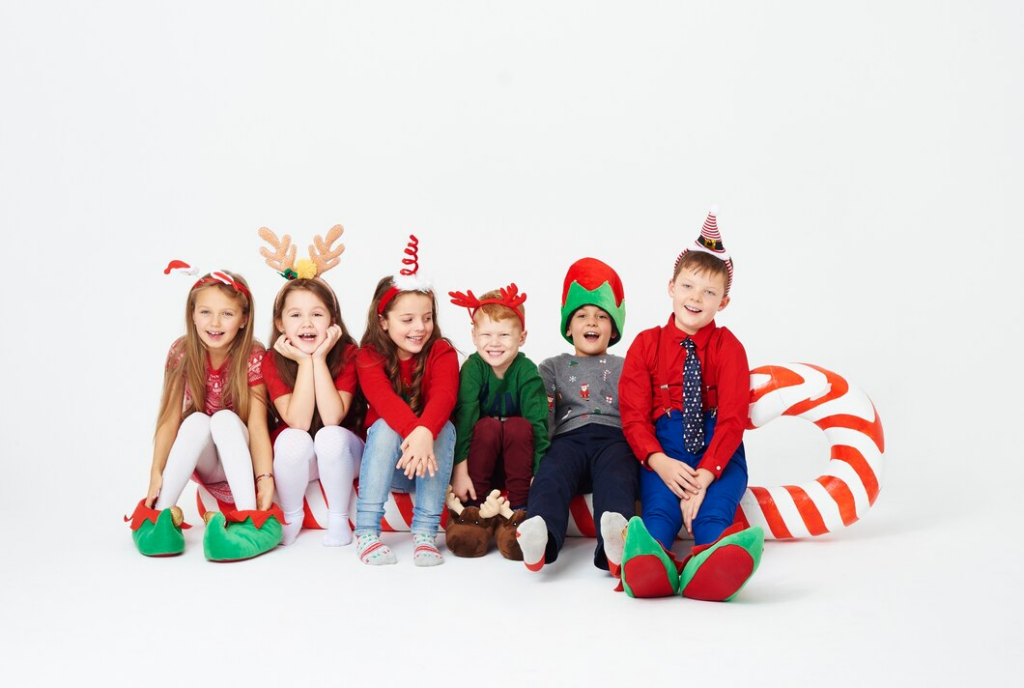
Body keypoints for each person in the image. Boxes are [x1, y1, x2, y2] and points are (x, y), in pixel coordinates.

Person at [611, 207, 764, 601]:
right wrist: (658, 461)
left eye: (709, 292)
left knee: (714, 512)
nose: (696, 298)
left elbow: (732, 419)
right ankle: (650, 566)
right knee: (659, 511)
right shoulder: (646, 344)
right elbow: (633, 416)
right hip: (665, 449)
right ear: (671, 286)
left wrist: (708, 475)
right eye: (688, 286)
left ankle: (710, 568)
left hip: (720, 451)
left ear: (723, 302)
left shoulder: (729, 348)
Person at [127, 264, 282, 561]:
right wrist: (155, 472)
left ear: (243, 319)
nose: (215, 322)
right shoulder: (182, 352)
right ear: (192, 315)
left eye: (227, 313)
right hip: (209, 463)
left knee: (224, 419)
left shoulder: (253, 354)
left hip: (242, 460)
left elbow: (258, 426)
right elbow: (170, 418)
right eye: (205, 312)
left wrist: (264, 477)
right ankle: (159, 515)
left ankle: (248, 518)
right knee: (197, 420)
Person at [515, 258, 639, 573]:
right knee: (550, 476)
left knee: (617, 477)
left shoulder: (625, 366)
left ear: (613, 329)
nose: (591, 322)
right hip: (567, 439)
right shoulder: (552, 366)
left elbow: (637, 411)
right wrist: (537, 460)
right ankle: (541, 534)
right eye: (581, 316)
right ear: (569, 327)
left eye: (601, 316)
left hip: (613, 438)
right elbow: (542, 414)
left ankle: (616, 537)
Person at [354, 236, 458, 566]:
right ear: (383, 321)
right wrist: (418, 431)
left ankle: (425, 533)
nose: (420, 327)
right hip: (392, 465)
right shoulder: (368, 356)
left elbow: (445, 395)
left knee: (446, 428)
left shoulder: (442, 351)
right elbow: (384, 401)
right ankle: (367, 530)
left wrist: (427, 432)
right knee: (385, 426)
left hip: (431, 464)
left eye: (426, 317)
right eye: (407, 320)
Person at [258, 225, 364, 547]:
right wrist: (305, 363)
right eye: (296, 315)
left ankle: (338, 518)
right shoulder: (272, 359)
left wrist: (319, 359)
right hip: (302, 457)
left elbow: (332, 418)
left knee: (329, 436)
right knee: (292, 437)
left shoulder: (347, 353)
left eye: (317, 314)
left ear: (332, 320)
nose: (307, 324)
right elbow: (300, 422)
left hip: (345, 452)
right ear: (280, 323)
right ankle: (292, 515)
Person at [447, 284, 549, 559]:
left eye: (504, 334)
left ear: (522, 337)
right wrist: (460, 471)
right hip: (480, 462)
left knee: (518, 425)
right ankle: (476, 511)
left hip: (517, 465)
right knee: (487, 425)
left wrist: (539, 474)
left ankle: (517, 511)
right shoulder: (472, 369)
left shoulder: (527, 372)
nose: (495, 343)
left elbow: (538, 426)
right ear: (474, 336)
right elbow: (464, 419)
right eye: (487, 335)